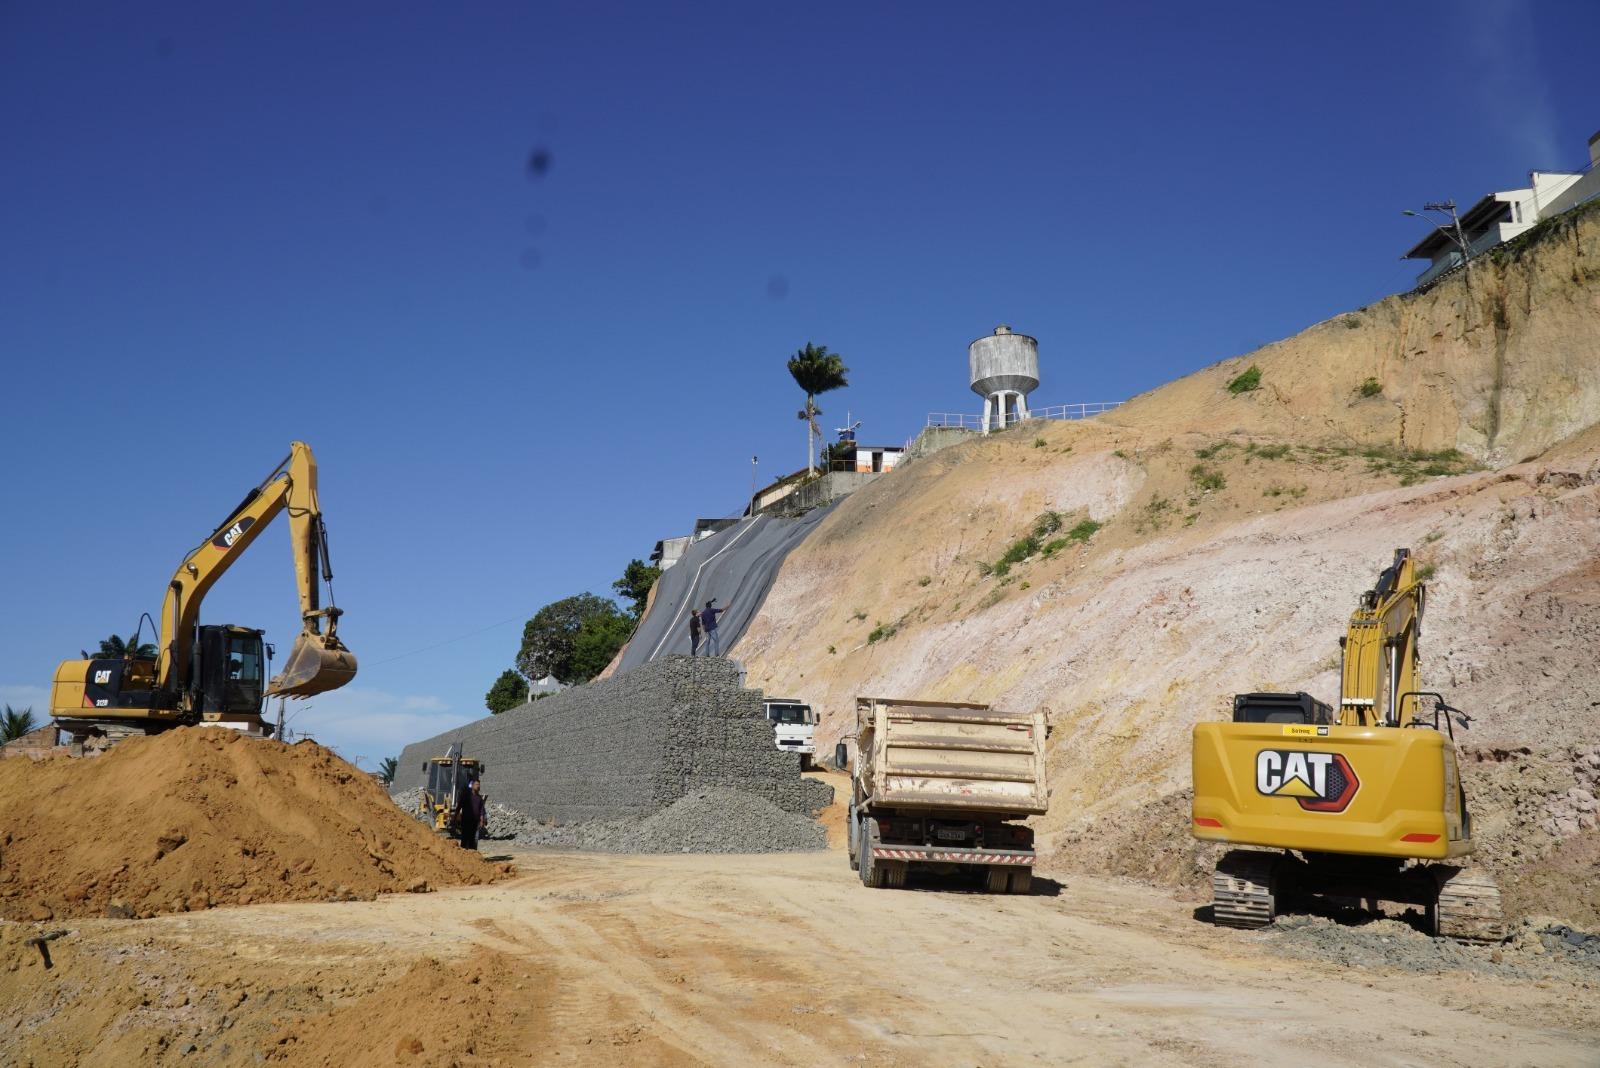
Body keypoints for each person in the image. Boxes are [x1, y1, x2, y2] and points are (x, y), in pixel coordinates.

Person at [456, 778, 487, 851]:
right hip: (466, 821)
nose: (478, 786)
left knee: (474, 840)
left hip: (475, 822)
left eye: (479, 785)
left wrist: (482, 820)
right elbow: (459, 806)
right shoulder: (466, 796)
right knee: (465, 838)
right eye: (476, 784)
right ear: (472, 786)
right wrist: (455, 816)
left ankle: (473, 855)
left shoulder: (479, 798)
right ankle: (463, 855)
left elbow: (482, 810)